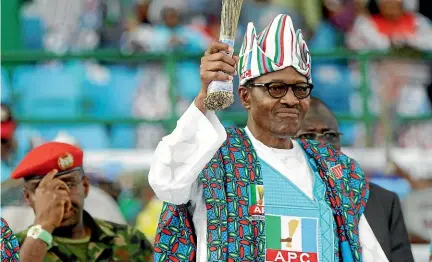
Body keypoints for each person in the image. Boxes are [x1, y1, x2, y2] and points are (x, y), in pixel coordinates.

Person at [150, 14, 389, 261]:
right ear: (244, 96)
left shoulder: (334, 170)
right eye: (275, 88)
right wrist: (203, 98)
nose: (290, 99)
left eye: (300, 88)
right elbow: (166, 182)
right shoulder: (212, 156)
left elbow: (368, 253)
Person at [297, 97, 414, 261]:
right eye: (308, 136)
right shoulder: (276, 198)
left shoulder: (382, 202)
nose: (322, 143)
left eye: (330, 135)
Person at [11, 142, 152, 262]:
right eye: (45, 189)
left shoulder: (130, 240)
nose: (59, 197)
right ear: (28, 198)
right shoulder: (13, 248)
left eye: (68, 183)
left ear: (85, 187)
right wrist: (43, 227)